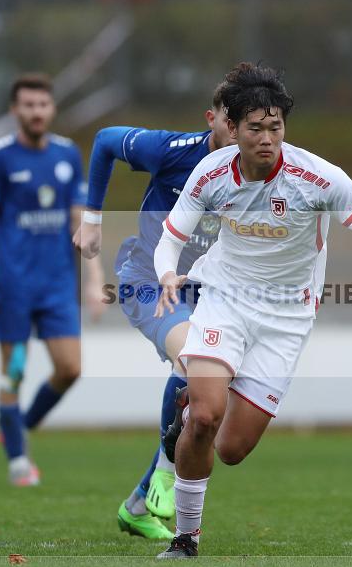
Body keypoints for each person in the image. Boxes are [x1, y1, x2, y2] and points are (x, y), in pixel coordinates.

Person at [152, 63, 352, 558]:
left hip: (286, 320)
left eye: (276, 127)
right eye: (255, 128)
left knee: (231, 449)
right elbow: (171, 237)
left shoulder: (317, 178)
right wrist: (167, 272)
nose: (267, 138)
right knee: (206, 417)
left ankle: (186, 416)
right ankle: (186, 538)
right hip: (224, 300)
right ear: (232, 127)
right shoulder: (211, 173)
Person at [74, 87, 234, 539]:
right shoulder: (171, 150)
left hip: (208, 293)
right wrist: (92, 219)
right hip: (148, 281)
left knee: (207, 393)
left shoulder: (254, 174)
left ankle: (138, 503)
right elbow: (105, 140)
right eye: (232, 117)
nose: (242, 129)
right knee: (194, 361)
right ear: (212, 119)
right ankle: (165, 475)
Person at [0, 73, 104, 486]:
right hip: (12, 285)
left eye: (42, 104)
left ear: (52, 108)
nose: (36, 112)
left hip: (57, 286)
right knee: (14, 371)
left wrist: (94, 277)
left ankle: (18, 427)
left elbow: (80, 219)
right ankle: (17, 463)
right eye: (28, 105)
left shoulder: (67, 154)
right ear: (15, 110)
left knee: (71, 368)